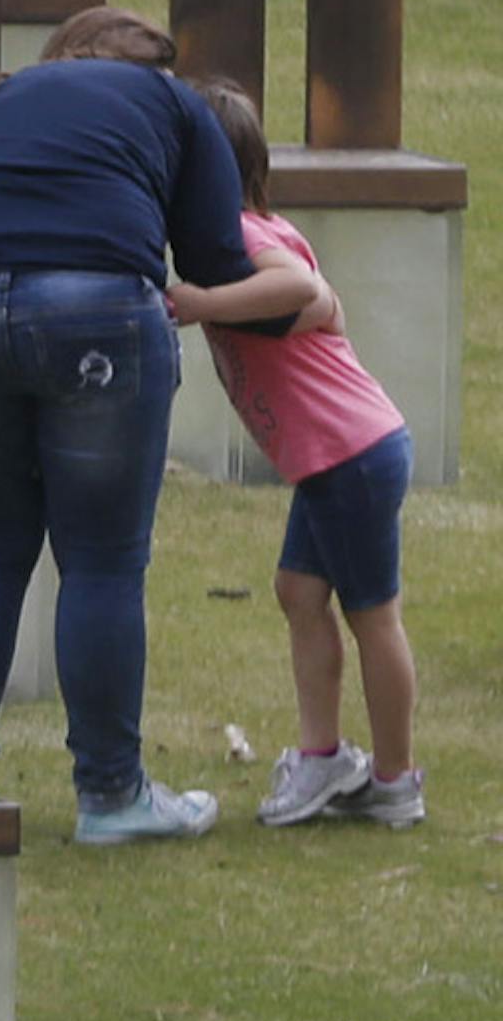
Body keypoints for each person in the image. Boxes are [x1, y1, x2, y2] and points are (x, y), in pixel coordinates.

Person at [0, 7, 267, 844]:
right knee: (101, 561)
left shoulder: (0, 98)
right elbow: (213, 262)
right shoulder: (174, 104)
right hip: (97, 311)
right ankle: (111, 794)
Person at [170, 79, 423, 829]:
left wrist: (202, 304)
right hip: (336, 457)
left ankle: (395, 778)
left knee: (372, 614)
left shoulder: (246, 241)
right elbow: (319, 299)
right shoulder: (247, 236)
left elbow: (305, 289)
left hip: (353, 452)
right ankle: (323, 758)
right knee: (297, 590)